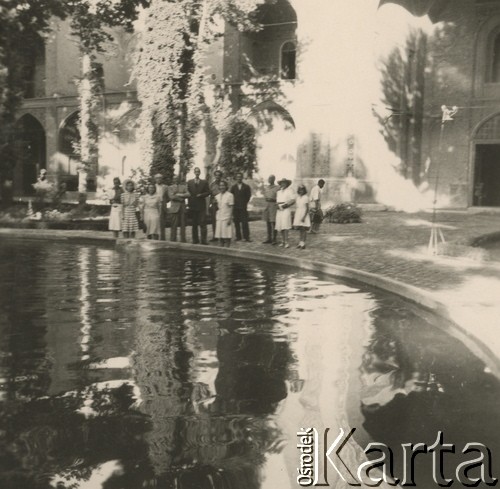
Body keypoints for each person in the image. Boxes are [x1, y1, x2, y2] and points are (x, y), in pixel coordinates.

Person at [187, 167, 210, 245]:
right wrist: (189, 205)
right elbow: (188, 194)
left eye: (198, 171)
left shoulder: (204, 182)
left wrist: (202, 195)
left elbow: (208, 192)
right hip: (193, 206)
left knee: (203, 223)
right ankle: (195, 240)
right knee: (194, 224)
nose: (197, 173)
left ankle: (203, 240)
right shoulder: (190, 182)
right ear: (194, 172)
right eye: (196, 171)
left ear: (200, 173)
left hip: (201, 206)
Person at [167, 175, 189, 242]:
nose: (175, 180)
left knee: (183, 225)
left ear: (178, 179)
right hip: (174, 209)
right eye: (174, 178)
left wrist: (178, 194)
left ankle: (183, 240)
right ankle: (173, 240)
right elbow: (171, 197)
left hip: (182, 208)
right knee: (174, 225)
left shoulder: (183, 186)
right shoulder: (170, 187)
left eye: (176, 178)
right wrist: (181, 199)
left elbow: (188, 194)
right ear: (172, 180)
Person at [230, 172, 252, 242]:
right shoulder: (233, 187)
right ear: (236, 178)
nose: (239, 178)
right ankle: (238, 236)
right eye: (237, 177)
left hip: (243, 207)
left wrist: (244, 203)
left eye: (240, 177)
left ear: (242, 178)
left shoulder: (246, 187)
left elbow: (248, 196)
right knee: (236, 222)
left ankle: (246, 237)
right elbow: (231, 196)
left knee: (244, 222)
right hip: (236, 207)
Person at [275, 178, 295, 248]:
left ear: (287, 184)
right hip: (279, 209)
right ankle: (282, 241)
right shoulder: (278, 192)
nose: (283, 184)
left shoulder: (290, 190)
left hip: (286, 209)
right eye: (282, 183)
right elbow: (277, 201)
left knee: (285, 225)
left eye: (284, 183)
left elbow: (293, 200)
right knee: (280, 225)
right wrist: (277, 206)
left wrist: (285, 205)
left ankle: (286, 242)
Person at [215, 180, 234, 247]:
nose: (222, 187)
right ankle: (221, 252)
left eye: (223, 185)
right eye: (220, 185)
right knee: (220, 237)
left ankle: (227, 251)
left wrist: (229, 218)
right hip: (219, 218)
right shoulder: (217, 196)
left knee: (227, 237)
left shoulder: (230, 195)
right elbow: (216, 207)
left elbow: (231, 207)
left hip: (226, 218)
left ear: (226, 187)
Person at [262, 174, 279, 244]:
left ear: (274, 179)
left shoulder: (277, 188)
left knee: (273, 222)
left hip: (273, 204)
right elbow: (265, 196)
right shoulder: (266, 187)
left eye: (271, 179)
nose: (270, 180)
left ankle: (274, 238)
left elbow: (279, 197)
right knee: (268, 221)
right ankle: (268, 238)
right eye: (269, 179)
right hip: (267, 204)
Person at [293, 184, 311, 249]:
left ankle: (303, 243)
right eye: (300, 190)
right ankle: (300, 243)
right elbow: (297, 207)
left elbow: (307, 208)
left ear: (304, 190)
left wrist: (304, 217)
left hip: (304, 214)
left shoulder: (306, 197)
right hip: (298, 213)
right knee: (300, 229)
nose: (301, 191)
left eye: (302, 190)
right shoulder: (298, 198)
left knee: (303, 229)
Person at [154, 173, 169, 240]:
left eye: (160, 178)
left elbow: (168, 197)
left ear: (162, 179)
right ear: (155, 179)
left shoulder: (165, 187)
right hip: (155, 206)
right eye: (157, 178)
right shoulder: (153, 187)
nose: (158, 179)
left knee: (162, 223)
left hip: (163, 205)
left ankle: (163, 238)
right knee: (155, 223)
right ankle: (155, 238)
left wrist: (164, 202)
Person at [209, 170, 223, 241]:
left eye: (219, 175)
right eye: (216, 175)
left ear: (221, 176)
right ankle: (215, 236)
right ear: (215, 176)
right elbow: (210, 195)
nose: (217, 176)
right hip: (214, 204)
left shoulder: (223, 184)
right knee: (214, 220)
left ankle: (222, 236)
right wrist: (210, 204)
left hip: (222, 205)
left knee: (222, 220)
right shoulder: (212, 185)